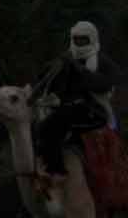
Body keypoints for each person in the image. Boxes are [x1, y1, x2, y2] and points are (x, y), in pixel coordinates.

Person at [30, 20, 120, 175]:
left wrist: (79, 68)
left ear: (92, 38)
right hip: (66, 107)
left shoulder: (102, 60)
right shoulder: (66, 59)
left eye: (83, 40)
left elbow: (104, 84)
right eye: (76, 40)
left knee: (50, 125)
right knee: (36, 125)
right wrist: (53, 67)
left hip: (94, 110)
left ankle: (57, 171)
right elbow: (49, 82)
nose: (79, 43)